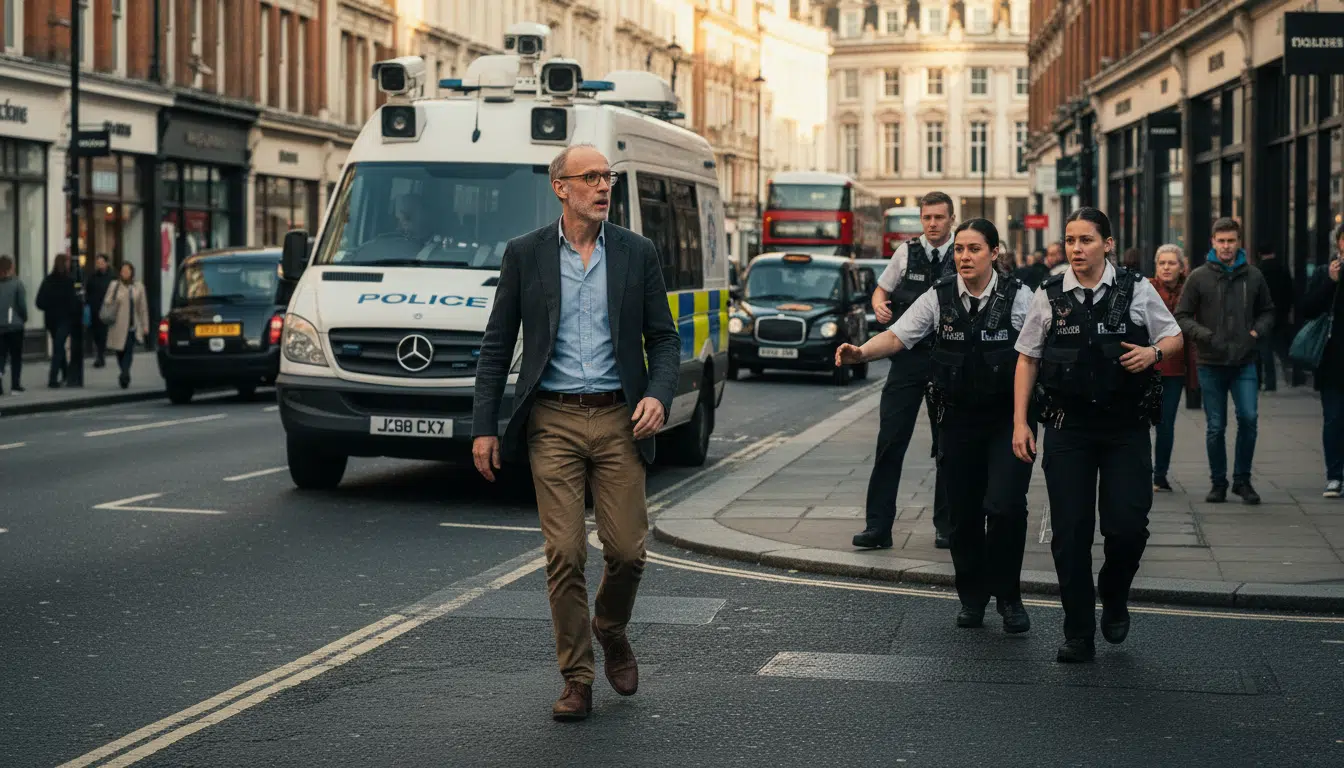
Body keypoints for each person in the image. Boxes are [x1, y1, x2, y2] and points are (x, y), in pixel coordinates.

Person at [471, 144, 680, 722]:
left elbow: (664, 338)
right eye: (589, 177)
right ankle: (577, 677)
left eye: (607, 176)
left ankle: (610, 628)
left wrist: (658, 396)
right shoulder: (526, 254)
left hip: (619, 419)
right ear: (560, 187)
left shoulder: (637, 253)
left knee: (628, 552)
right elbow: (496, 345)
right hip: (554, 421)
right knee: (563, 553)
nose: (602, 185)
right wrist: (484, 427)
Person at [837, 219, 1036, 633]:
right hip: (958, 420)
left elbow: (1040, 350)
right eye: (960, 249)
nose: (964, 256)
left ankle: (1010, 598)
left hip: (1006, 422)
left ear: (994, 253)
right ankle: (973, 597)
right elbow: (898, 336)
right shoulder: (939, 295)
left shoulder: (1020, 298)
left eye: (975, 249)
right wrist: (861, 353)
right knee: (962, 515)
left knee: (1005, 508)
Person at [1012, 207, 1184, 663]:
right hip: (1068, 430)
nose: (1076, 248)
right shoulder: (1048, 294)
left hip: (1125, 429)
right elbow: (1027, 357)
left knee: (1127, 529)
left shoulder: (1137, 289)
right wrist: (1020, 422)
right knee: (1069, 533)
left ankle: (1113, 590)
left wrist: (1152, 353)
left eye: (1085, 240)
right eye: (1070, 240)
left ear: (1107, 244)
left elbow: (1174, 337)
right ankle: (1078, 632)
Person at [858, 191, 959, 550]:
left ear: (951, 220)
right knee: (890, 442)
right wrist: (880, 305)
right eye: (927, 217)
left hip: (947, 361)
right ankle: (877, 527)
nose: (932, 224)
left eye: (939, 218)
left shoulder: (962, 252)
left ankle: (947, 526)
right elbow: (880, 291)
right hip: (907, 359)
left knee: (947, 445)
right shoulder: (906, 252)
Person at [1174, 218, 1275, 505]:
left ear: (1239, 242)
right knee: (1215, 426)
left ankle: (1242, 481)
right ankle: (1218, 482)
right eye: (1221, 241)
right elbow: (1181, 316)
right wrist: (1204, 335)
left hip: (1244, 361)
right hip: (1210, 362)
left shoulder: (1253, 276)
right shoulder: (1198, 277)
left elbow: (1268, 311)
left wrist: (1254, 333)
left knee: (1249, 419)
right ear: (1213, 242)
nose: (1226, 246)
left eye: (1231, 241)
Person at [1149, 245, 1198, 492]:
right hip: (1145, 367)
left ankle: (1160, 474)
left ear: (1182, 267)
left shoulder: (1189, 291)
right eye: (1162, 263)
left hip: (1174, 369)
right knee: (1140, 423)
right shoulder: (1146, 288)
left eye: (1171, 263)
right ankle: (1141, 471)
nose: (1166, 267)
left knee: (1165, 424)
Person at [1300, 225, 1344, 497]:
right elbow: (1307, 309)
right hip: (1333, 360)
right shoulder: (1324, 272)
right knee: (1334, 419)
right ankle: (1335, 475)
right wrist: (1330, 281)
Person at [34, 254, 81, 389]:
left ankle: (65, 373)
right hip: (64, 319)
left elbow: (39, 302)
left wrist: (50, 307)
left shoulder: (48, 281)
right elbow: (73, 303)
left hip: (51, 320)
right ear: (65, 264)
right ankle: (53, 378)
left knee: (58, 345)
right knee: (58, 348)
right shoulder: (69, 281)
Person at [101, 262, 149, 389]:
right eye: (123, 271)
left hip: (132, 326)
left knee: (128, 351)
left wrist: (145, 325)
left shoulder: (138, 287)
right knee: (119, 351)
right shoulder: (114, 285)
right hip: (117, 325)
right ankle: (124, 371)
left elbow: (142, 308)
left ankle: (125, 373)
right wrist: (118, 298)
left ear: (132, 272)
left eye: (128, 271)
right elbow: (107, 301)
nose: (125, 273)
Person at [1255, 244, 1295, 391]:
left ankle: (1262, 381)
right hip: (1281, 314)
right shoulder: (1283, 269)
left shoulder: (1259, 270)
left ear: (1260, 253)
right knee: (1280, 346)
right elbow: (1290, 291)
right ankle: (1289, 373)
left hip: (1263, 314)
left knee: (1263, 349)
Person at [0, 255, 26, 394]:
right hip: (15, 326)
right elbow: (22, 305)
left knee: (1, 357)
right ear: (11, 267)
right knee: (16, 357)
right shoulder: (17, 284)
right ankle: (15, 385)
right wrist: (23, 318)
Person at [86, 254, 113, 368]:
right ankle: (99, 353)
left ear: (106, 263)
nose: (100, 264)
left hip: (107, 309)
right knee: (96, 333)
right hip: (94, 308)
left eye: (102, 262)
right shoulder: (92, 276)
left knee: (103, 333)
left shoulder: (112, 276)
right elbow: (88, 290)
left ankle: (100, 356)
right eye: (98, 262)